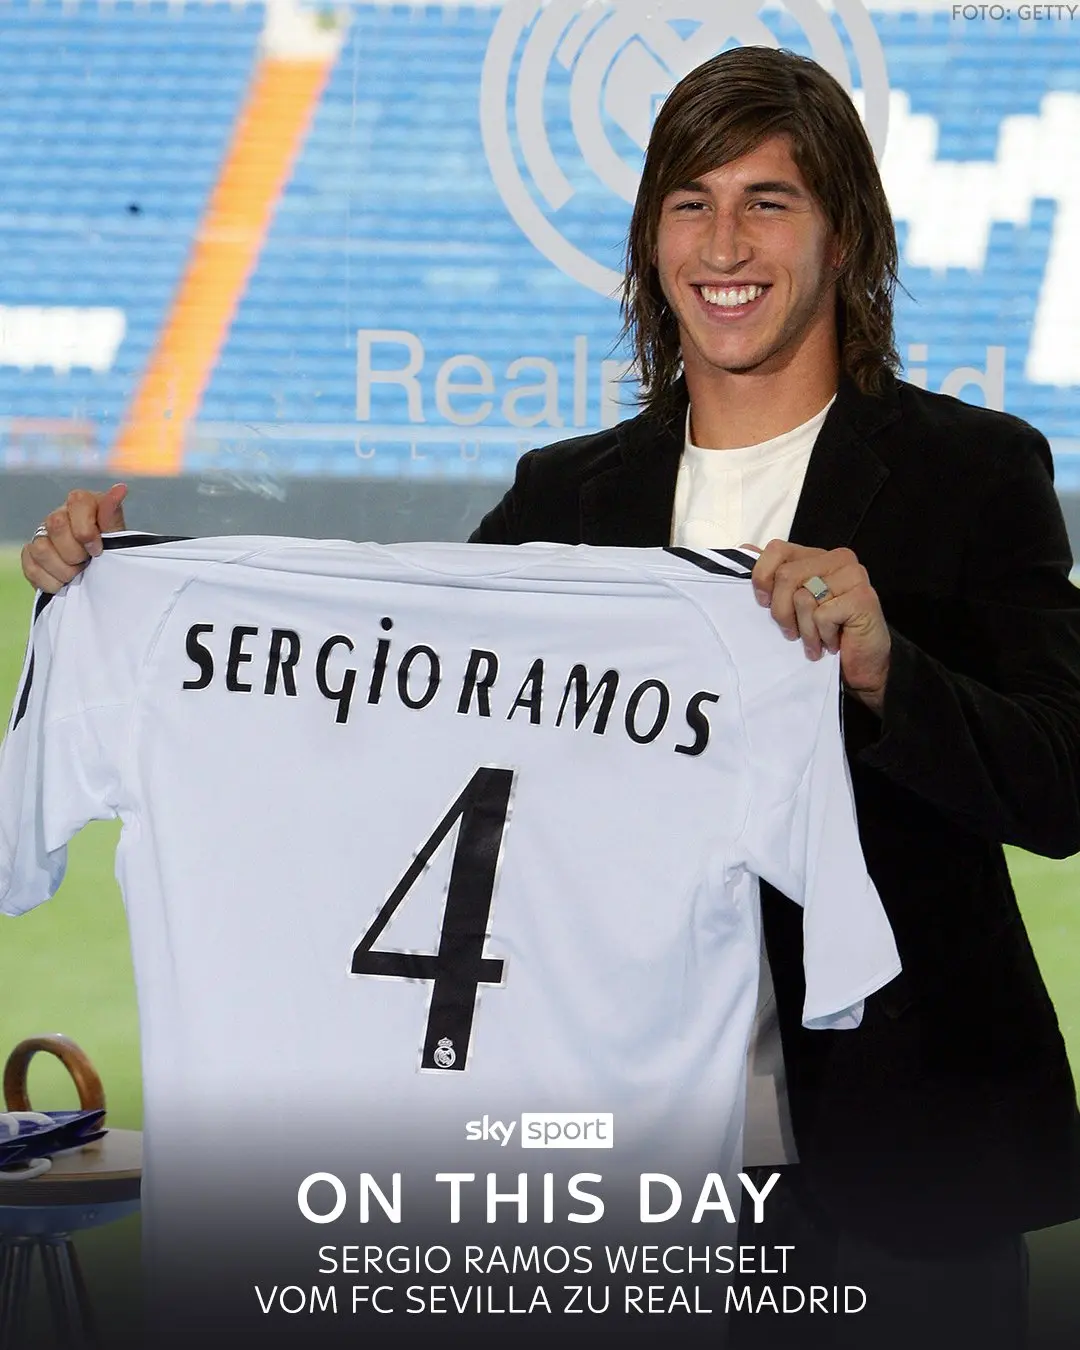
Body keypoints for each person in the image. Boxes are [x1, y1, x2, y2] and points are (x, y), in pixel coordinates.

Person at [20, 45, 1080, 1350]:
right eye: (691, 204)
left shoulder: (975, 474)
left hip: (899, 1171)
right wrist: (118, 595)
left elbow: (1060, 782)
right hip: (609, 1170)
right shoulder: (564, 499)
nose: (724, 244)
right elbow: (395, 732)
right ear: (649, 243)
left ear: (845, 234)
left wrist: (885, 670)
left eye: (768, 201)